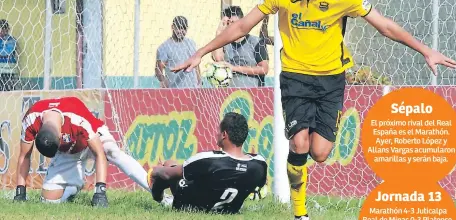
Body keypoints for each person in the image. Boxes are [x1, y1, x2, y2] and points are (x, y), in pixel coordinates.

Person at [171, 0, 456, 220]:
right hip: (296, 78)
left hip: (332, 79)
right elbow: (244, 25)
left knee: (319, 153)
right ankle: (300, 213)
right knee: (299, 145)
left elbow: (384, 26)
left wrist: (425, 50)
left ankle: (300, 177)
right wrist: (201, 52)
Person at [13, 97, 150, 206]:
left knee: (111, 152)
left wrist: (99, 192)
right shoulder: (31, 119)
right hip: (69, 151)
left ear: (60, 136)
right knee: (48, 202)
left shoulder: (76, 115)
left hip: (93, 139)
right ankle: (74, 186)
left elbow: (99, 154)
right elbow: (24, 156)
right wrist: (20, 192)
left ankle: (155, 189)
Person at [146, 112, 267, 214]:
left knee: (169, 165)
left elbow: (168, 175)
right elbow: (260, 185)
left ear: (224, 135)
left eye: (219, 131)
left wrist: (155, 170)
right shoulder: (259, 164)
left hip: (190, 207)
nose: (216, 134)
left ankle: (161, 199)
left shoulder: (208, 159)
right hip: (230, 209)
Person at [212, 6, 269, 87]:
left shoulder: (256, 42)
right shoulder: (223, 43)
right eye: (228, 23)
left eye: (234, 23)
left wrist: (234, 68)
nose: (232, 26)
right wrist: (219, 33)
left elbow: (264, 69)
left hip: (252, 95)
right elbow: (218, 59)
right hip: (229, 96)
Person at [156, 16, 201, 88]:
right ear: (173, 27)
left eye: (184, 28)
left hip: (193, 88)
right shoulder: (164, 47)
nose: (181, 31)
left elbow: (196, 64)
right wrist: (163, 82)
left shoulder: (191, 43)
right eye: (179, 28)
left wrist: (199, 81)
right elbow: (159, 69)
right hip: (175, 90)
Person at [0, 19, 19, 91]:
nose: (2, 31)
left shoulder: (11, 40)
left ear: (7, 29)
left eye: (3, 29)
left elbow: (6, 52)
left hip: (8, 70)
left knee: (8, 91)